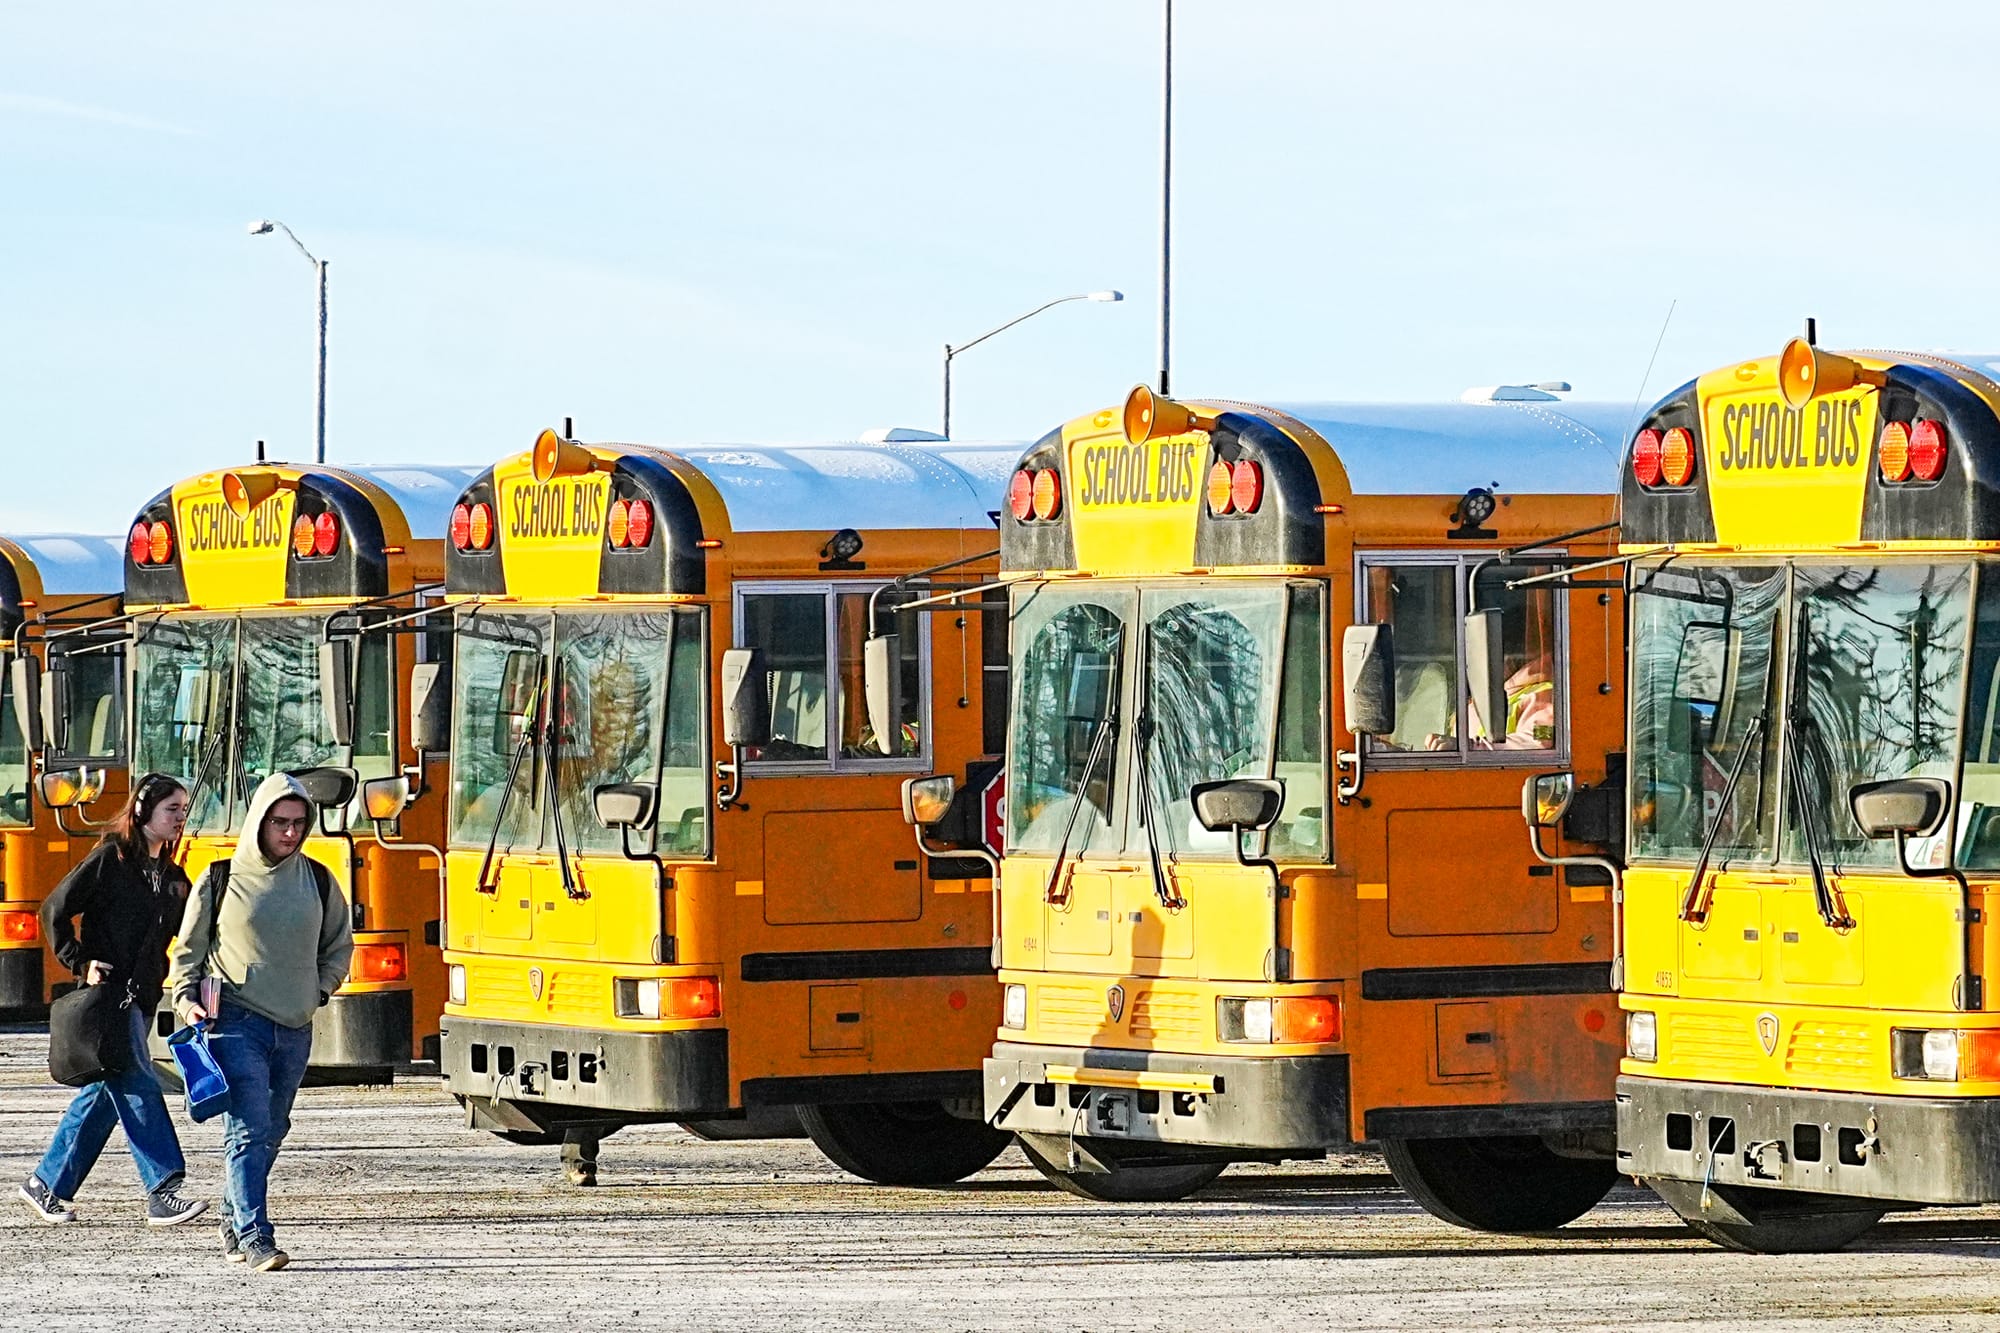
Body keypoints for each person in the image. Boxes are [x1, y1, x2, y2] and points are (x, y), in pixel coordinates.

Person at [170, 773, 351, 1273]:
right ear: (259, 823)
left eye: (298, 823)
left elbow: (339, 945)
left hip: (295, 1025)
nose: (290, 833)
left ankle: (232, 1213)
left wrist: (320, 989)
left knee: (274, 1127)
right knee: (248, 1129)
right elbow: (188, 950)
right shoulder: (219, 878)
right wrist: (186, 1001)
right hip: (236, 1023)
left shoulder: (317, 879)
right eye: (279, 823)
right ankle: (255, 1236)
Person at [20, 773, 206, 1228]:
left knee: (104, 1091)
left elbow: (190, 937)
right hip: (107, 999)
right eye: (171, 810)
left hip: (142, 998)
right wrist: (80, 962)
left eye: (184, 810)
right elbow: (55, 910)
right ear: (142, 810)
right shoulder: (111, 859)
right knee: (139, 1081)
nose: (180, 818)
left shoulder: (174, 878)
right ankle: (163, 1188)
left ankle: (46, 1183)